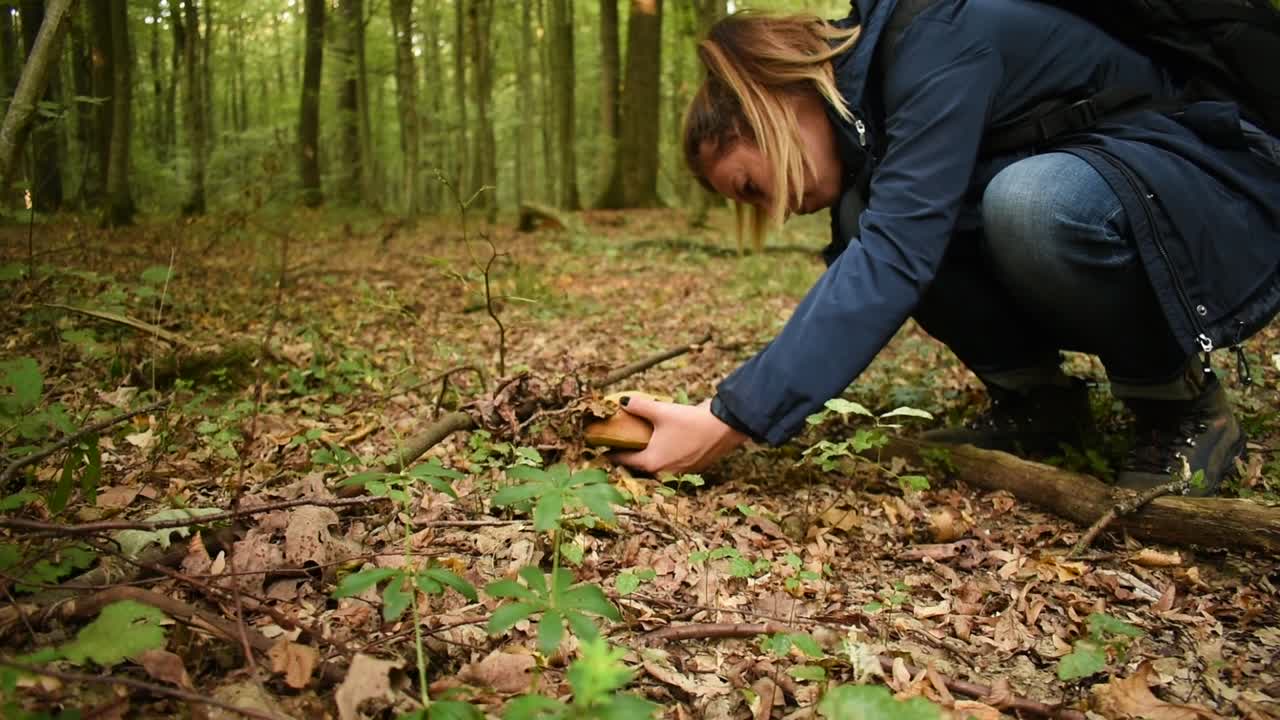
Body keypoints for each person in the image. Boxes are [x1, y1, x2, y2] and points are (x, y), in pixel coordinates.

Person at [612, 0, 1280, 495]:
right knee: (868, 216)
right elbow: (893, 239)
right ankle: (1038, 406)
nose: (778, 209)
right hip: (1106, 185)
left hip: (1203, 182)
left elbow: (899, 252)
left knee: (1028, 203)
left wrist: (727, 418)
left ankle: (1178, 405)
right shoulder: (878, 114)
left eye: (753, 186)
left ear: (773, 103)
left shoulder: (933, 40)